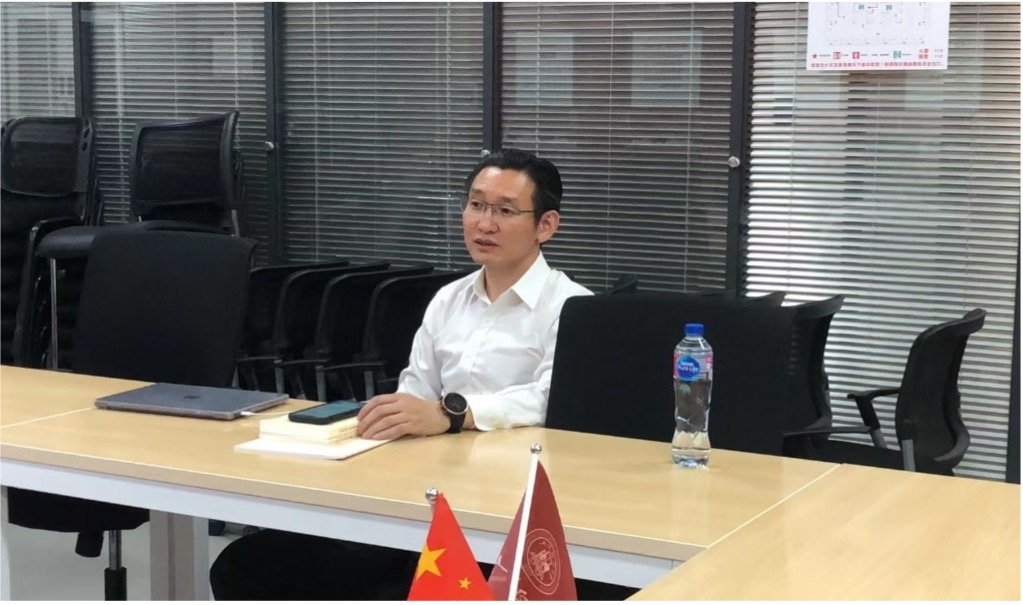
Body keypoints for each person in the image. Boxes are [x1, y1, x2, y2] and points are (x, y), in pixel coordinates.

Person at [209, 148, 594, 600]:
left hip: (513, 510)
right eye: (476, 205)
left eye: (505, 211)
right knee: (246, 565)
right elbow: (416, 394)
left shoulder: (572, 308)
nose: (485, 224)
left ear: (546, 225)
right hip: (427, 497)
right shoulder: (448, 300)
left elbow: (550, 401)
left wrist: (453, 413)